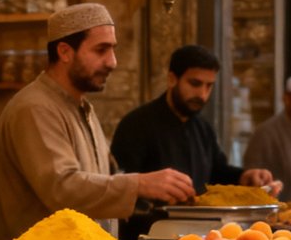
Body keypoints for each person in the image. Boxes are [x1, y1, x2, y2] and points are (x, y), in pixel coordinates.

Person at [0, 4, 193, 240]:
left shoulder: (83, 108)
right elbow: (61, 188)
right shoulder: (34, 108)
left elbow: (104, 178)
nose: (112, 62)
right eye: (101, 50)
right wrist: (138, 184)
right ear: (65, 51)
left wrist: (156, 193)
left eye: (113, 49)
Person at [111, 45, 279, 195]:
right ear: (172, 79)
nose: (202, 94)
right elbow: (122, 187)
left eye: (209, 86)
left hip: (199, 228)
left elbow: (216, 174)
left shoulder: (203, 128)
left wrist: (244, 177)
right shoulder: (136, 125)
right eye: (195, 83)